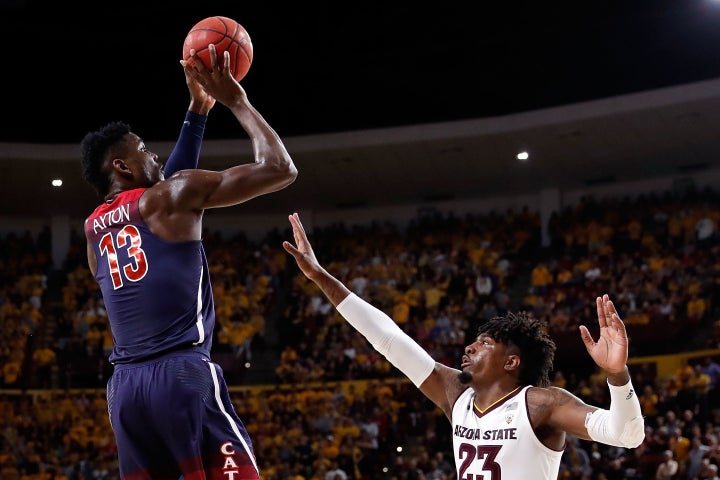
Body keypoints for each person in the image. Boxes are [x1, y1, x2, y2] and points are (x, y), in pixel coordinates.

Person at [282, 212, 645, 480]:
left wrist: (617, 374)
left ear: (511, 362)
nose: (469, 349)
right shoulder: (456, 393)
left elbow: (627, 435)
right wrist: (320, 277)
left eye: (484, 343)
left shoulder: (541, 404)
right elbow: (388, 339)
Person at [81, 45, 297, 479]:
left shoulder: (91, 230)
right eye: (144, 150)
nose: (155, 156)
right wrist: (236, 100)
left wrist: (197, 111)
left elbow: (165, 190)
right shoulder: (168, 196)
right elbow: (279, 168)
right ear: (122, 165)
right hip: (182, 375)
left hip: (124, 392)